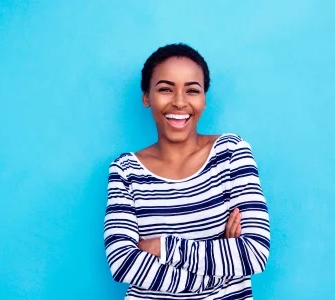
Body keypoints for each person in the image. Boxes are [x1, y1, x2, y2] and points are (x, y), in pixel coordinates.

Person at [103, 43, 270, 300]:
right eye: (165, 89)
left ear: (203, 99)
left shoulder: (231, 153)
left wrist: (162, 247)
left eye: (192, 90)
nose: (180, 102)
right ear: (147, 97)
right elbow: (123, 263)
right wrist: (221, 267)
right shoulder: (126, 170)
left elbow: (254, 254)